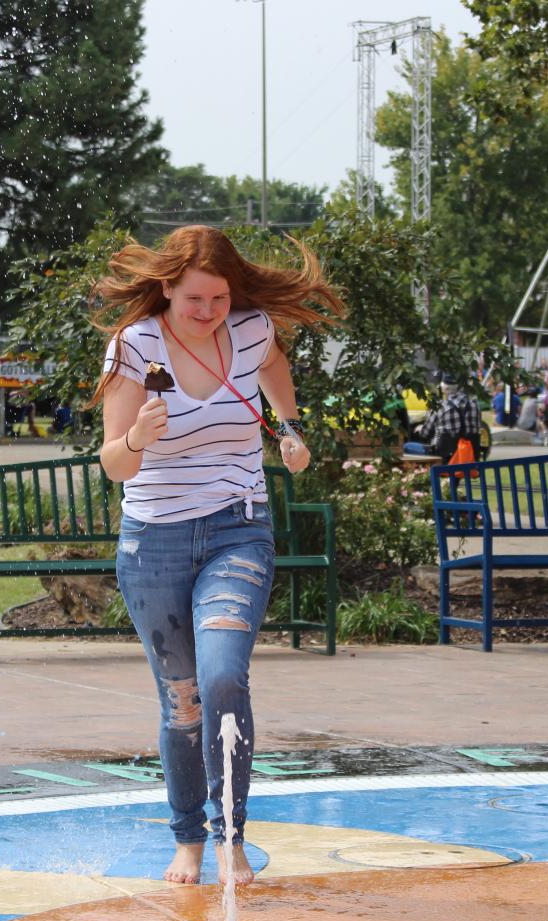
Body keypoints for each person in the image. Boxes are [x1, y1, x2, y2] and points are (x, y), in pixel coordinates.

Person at [94, 224, 343, 886]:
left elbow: (275, 371)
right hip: (156, 542)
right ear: (166, 290)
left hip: (238, 527)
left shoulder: (252, 331)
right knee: (183, 700)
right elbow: (113, 465)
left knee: (225, 676)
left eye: (219, 300)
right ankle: (188, 840)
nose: (207, 314)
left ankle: (231, 836)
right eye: (194, 301)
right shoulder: (135, 346)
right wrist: (139, 437)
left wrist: (289, 430)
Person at [406, 372, 481, 459]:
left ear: (444, 388)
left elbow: (425, 433)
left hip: (445, 456)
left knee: (407, 446)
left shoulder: (440, 407)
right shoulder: (474, 404)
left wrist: (420, 428)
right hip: (470, 456)